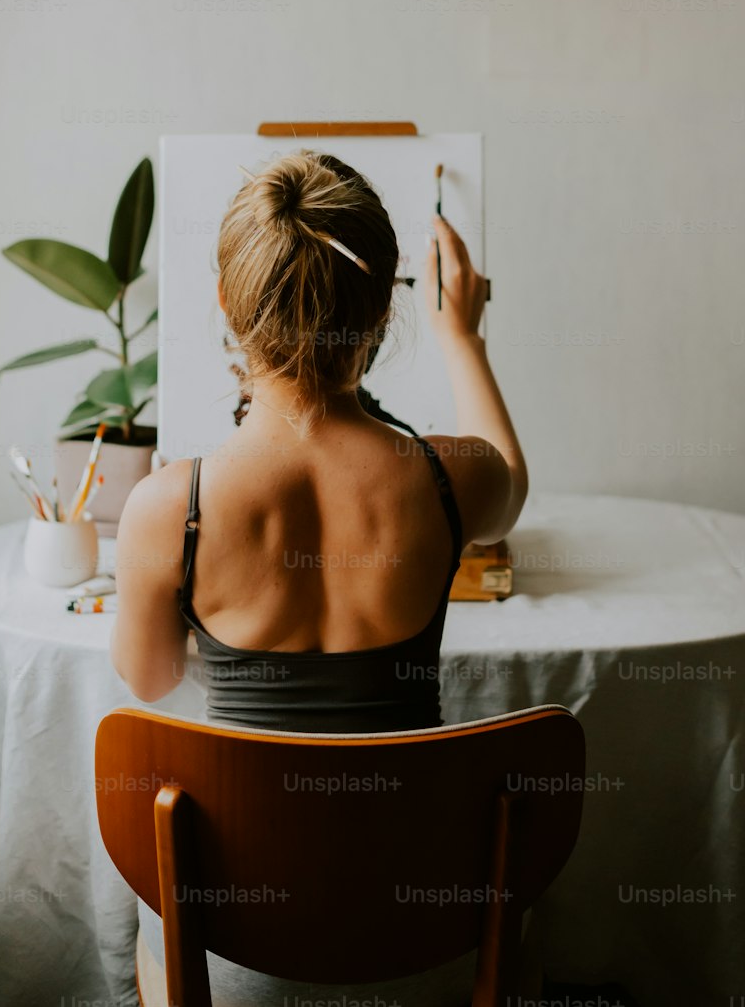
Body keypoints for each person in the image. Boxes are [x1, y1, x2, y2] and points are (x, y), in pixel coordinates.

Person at [110, 149, 533, 1006]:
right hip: (428, 936)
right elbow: (512, 478)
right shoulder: (454, 481)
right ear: (385, 305)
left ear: (227, 307)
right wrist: (463, 337)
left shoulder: (167, 509)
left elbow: (150, 681)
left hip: (233, 952)